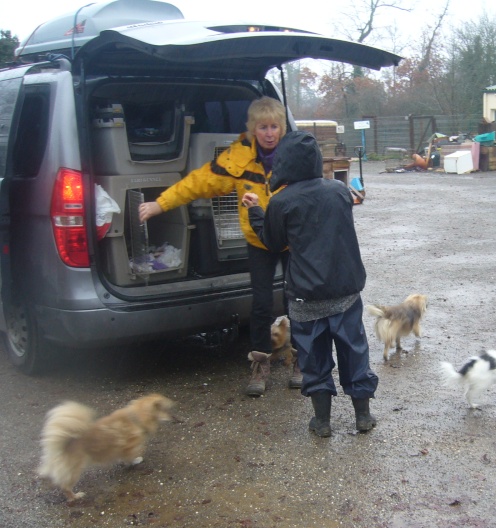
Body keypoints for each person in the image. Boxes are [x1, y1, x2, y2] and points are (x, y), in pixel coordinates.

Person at [138, 97, 301, 397]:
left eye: (274, 126)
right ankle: (261, 364)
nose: (268, 133)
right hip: (260, 241)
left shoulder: (295, 155)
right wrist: (160, 204)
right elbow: (198, 182)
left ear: (282, 128)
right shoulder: (237, 159)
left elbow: (314, 191)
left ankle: (301, 360)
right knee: (262, 304)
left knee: (297, 300)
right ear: (253, 129)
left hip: (292, 242)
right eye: (262, 127)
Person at [244, 131, 379, 437]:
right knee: (354, 351)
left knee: (314, 358)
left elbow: (272, 243)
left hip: (306, 298)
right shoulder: (339, 191)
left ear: (284, 164)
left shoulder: (280, 202)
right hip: (345, 291)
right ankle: (363, 416)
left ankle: (322, 421)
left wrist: (255, 211)